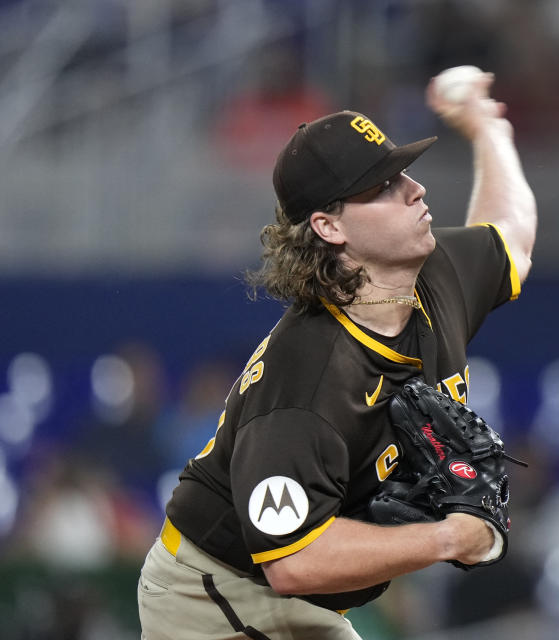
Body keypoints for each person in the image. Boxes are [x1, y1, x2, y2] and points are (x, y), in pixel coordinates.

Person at [137, 68, 536, 640]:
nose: (415, 189)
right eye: (383, 187)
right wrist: (452, 536)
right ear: (328, 225)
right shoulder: (310, 378)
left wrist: (487, 128)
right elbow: (292, 561)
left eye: (404, 174)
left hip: (302, 601)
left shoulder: (433, 276)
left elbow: (511, 236)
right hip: (214, 598)